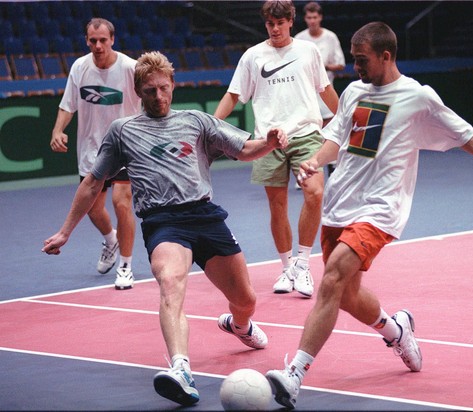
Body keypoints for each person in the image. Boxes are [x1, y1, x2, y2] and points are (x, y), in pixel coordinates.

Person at [265, 21, 473, 409]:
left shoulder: (417, 96)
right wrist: (314, 160)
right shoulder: (353, 92)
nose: (355, 66)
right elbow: (336, 139)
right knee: (345, 295)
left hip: (381, 209)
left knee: (330, 279)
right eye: (354, 58)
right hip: (340, 204)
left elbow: (466, 135)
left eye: (362, 60)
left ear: (386, 55)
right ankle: (396, 329)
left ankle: (294, 374)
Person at [42, 51, 288, 406]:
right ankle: (181, 369)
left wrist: (270, 142)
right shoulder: (123, 131)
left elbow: (245, 149)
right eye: (149, 90)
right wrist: (65, 231)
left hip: (206, 216)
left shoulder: (197, 121)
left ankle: (239, 325)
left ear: (173, 85)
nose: (158, 97)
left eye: (163, 88)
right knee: (170, 282)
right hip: (163, 223)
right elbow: (93, 182)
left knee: (246, 300)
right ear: (138, 91)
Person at [214, 0, 339, 299]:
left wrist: (346, 121)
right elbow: (233, 95)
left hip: (307, 133)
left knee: (315, 192)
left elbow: (326, 91)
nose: (275, 28)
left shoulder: (308, 52)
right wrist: (212, 126)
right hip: (267, 140)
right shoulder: (253, 56)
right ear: (266, 23)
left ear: (291, 21)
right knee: (277, 204)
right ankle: (286, 268)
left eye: (281, 22)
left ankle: (303, 264)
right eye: (270, 23)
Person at [50, 18, 141, 290]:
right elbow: (68, 105)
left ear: (112, 39)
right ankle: (111, 239)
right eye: (93, 41)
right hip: (91, 150)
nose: (98, 45)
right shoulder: (80, 67)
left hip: (125, 146)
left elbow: (149, 100)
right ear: (87, 41)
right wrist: (57, 130)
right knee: (91, 207)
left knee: (122, 203)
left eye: (103, 40)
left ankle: (125, 266)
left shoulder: (129, 68)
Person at [295, 1, 345, 176]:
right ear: (305, 19)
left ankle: (333, 165)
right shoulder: (299, 38)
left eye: (315, 17)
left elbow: (340, 64)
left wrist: (321, 66)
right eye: (309, 17)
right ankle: (304, 169)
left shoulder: (331, 37)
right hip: (306, 93)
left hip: (326, 90)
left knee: (330, 129)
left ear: (320, 17)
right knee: (307, 131)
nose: (312, 21)